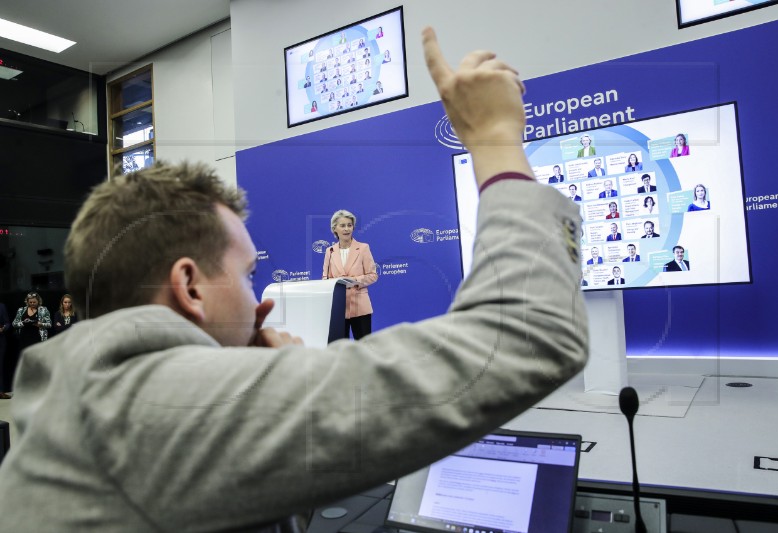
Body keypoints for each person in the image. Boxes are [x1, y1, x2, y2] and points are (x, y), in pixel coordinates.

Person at [0, 28, 588, 530]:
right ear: (190, 287)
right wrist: (494, 140)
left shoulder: (70, 392)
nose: (260, 304)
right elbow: (529, 334)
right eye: (247, 276)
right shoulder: (181, 409)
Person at [322, 210, 378, 339]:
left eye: (349, 225)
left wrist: (353, 280)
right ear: (334, 228)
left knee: (364, 346)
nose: (347, 229)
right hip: (338, 308)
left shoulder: (363, 248)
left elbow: (373, 275)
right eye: (342, 225)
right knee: (341, 348)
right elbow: (325, 278)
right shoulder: (329, 251)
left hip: (360, 306)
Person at [0, 303, 10, 399]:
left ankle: (1, 391)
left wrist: (3, 328)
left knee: (1, 366)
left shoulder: (2, 306)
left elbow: (7, 323)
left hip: (1, 340)